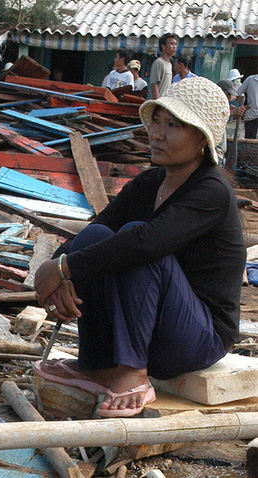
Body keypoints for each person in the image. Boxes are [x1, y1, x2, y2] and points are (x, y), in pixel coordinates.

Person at [33, 77, 245, 418]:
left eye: (173, 125)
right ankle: (99, 365)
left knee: (137, 239)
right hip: (149, 329)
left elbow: (146, 244)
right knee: (95, 238)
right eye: (157, 121)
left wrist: (61, 269)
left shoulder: (212, 192)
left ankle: (133, 372)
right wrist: (60, 271)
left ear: (201, 141)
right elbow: (97, 228)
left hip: (196, 339)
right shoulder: (149, 182)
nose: (157, 133)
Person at [149, 33, 177, 99]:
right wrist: (158, 103)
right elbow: (154, 84)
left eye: (175, 44)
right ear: (163, 46)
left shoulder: (169, 64)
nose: (174, 47)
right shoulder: (159, 62)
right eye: (172, 44)